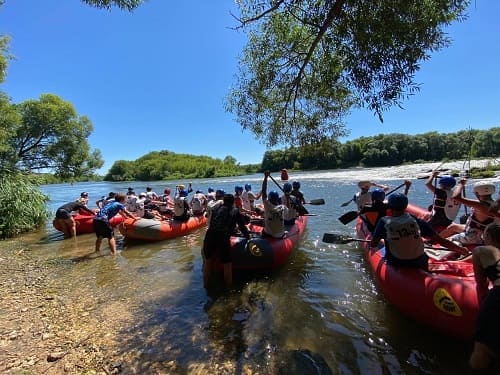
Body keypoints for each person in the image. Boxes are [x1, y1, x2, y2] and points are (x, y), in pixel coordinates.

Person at [370, 193, 469, 269]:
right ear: (405, 206)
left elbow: (373, 244)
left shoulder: (383, 222)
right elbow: (440, 240)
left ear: (390, 207)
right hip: (419, 261)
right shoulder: (414, 219)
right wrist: (461, 250)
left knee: (383, 246)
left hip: (396, 262)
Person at [202, 193, 250, 287]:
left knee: (208, 261)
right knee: (227, 264)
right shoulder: (235, 211)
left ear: (224, 201)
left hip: (210, 235)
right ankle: (228, 290)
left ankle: (206, 285)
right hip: (222, 237)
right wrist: (248, 237)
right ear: (233, 203)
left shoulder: (216, 209)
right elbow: (242, 227)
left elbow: (214, 223)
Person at [469, 222, 500, 370]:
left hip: (498, 297)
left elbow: (481, 282)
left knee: (481, 352)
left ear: (489, 237)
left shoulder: (481, 251)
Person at [440, 180, 496, 246]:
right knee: (453, 227)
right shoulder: (494, 204)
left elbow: (455, 197)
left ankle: (461, 251)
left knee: (453, 239)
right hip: (478, 231)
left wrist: (461, 184)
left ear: (477, 193)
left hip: (476, 236)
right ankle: (434, 240)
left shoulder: (479, 205)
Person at [261, 170, 288, 238]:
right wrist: (287, 197)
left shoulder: (267, 205)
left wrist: (265, 178)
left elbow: (264, 191)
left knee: (263, 228)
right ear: (277, 198)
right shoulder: (283, 207)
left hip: (268, 233)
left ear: (269, 199)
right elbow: (286, 211)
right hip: (280, 234)